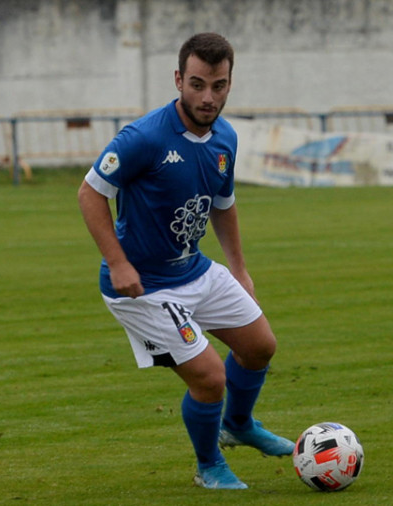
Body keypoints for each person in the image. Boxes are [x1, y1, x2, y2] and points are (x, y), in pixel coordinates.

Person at [77, 32, 293, 489]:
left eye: (218, 85)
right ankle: (208, 465)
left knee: (259, 346)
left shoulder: (226, 138)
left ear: (230, 83)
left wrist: (238, 267)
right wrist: (118, 263)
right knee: (210, 377)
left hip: (193, 268)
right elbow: (90, 193)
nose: (207, 97)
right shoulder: (144, 137)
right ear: (178, 79)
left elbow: (224, 202)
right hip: (143, 286)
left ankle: (238, 424)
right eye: (197, 84)